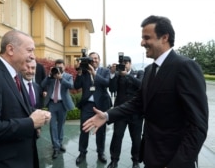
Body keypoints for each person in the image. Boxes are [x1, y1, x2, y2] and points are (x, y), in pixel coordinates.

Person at [82, 15, 209, 168]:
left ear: (164, 37)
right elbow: (138, 103)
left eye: (147, 38)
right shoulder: (150, 70)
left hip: (174, 159)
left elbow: (198, 126)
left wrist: (178, 164)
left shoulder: (185, 67)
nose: (142, 42)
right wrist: (108, 115)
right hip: (151, 156)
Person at [0, 30, 51, 168]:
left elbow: (14, 108)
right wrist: (30, 123)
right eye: (30, 50)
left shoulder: (15, 75)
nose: (33, 56)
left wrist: (38, 116)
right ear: (10, 49)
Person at [74, 52, 112, 165]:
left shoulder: (105, 71)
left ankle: (101, 152)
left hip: (101, 105)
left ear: (99, 60)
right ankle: (82, 152)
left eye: (96, 58)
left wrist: (94, 73)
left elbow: (107, 83)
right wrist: (80, 73)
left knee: (101, 131)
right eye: (92, 58)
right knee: (84, 129)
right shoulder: (84, 71)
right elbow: (76, 86)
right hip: (87, 105)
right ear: (89, 60)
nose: (94, 60)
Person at [107, 56, 144, 168]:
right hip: (120, 112)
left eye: (126, 63)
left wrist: (127, 75)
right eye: (122, 63)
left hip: (136, 112)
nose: (124, 65)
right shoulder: (118, 75)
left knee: (136, 138)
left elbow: (141, 85)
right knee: (117, 136)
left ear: (130, 63)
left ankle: (136, 161)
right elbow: (112, 89)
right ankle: (114, 160)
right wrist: (113, 74)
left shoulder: (139, 72)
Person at [41, 59, 75, 159]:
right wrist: (49, 75)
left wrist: (61, 79)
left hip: (62, 104)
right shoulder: (51, 76)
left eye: (61, 67)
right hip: (52, 104)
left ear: (64, 67)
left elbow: (71, 86)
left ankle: (59, 143)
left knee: (61, 125)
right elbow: (42, 85)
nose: (59, 69)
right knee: (52, 126)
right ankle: (56, 147)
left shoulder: (68, 76)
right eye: (57, 67)